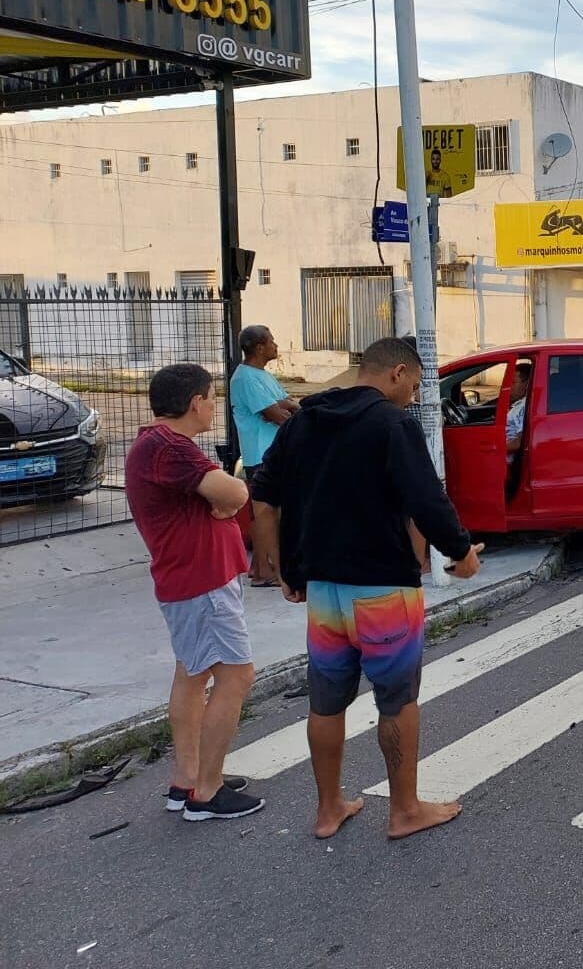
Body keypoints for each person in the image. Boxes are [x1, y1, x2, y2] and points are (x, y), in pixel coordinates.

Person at [250, 337, 483, 840]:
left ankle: (329, 808)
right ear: (397, 373)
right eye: (416, 386)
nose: (414, 396)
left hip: (323, 591)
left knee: (326, 702)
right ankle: (404, 811)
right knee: (397, 701)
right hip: (383, 589)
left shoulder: (302, 423)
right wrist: (461, 553)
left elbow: (264, 497)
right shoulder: (392, 425)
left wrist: (285, 568)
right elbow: (426, 498)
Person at [124, 363, 264, 822]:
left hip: (191, 580)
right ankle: (207, 790)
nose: (212, 407)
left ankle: (188, 779)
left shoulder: (156, 446)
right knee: (236, 675)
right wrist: (226, 501)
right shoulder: (171, 449)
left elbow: (218, 498)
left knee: (193, 675)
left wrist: (221, 503)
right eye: (210, 398)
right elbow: (235, 491)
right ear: (194, 403)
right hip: (201, 584)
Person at [230, 325, 298, 585]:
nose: (276, 345)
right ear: (259, 348)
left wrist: (287, 405)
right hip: (261, 455)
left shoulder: (262, 375)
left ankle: (265, 567)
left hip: (273, 452)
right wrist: (286, 406)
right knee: (265, 514)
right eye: (271, 341)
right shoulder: (246, 378)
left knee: (274, 513)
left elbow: (286, 402)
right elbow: (278, 415)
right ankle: (263, 571)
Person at [504, 362, 532, 460]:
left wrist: (496, 448)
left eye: (513, 383)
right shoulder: (518, 404)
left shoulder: (523, 407)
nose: (509, 387)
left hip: (506, 463)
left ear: (527, 384)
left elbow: (520, 442)